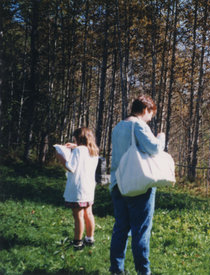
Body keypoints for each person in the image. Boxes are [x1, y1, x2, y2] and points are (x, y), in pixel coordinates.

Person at [109, 95, 165, 275]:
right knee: (141, 231)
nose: (150, 118)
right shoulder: (139, 125)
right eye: (151, 114)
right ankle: (143, 271)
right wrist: (161, 137)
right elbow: (154, 148)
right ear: (146, 110)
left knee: (120, 228)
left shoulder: (118, 126)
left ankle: (117, 269)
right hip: (138, 185)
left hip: (118, 183)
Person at [55, 127, 99, 250]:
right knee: (89, 213)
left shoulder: (78, 151)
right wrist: (75, 147)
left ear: (79, 138)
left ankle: (77, 242)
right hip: (89, 187)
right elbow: (82, 155)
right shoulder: (93, 151)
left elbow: (71, 167)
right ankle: (90, 238)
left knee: (78, 215)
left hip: (78, 188)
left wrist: (60, 157)